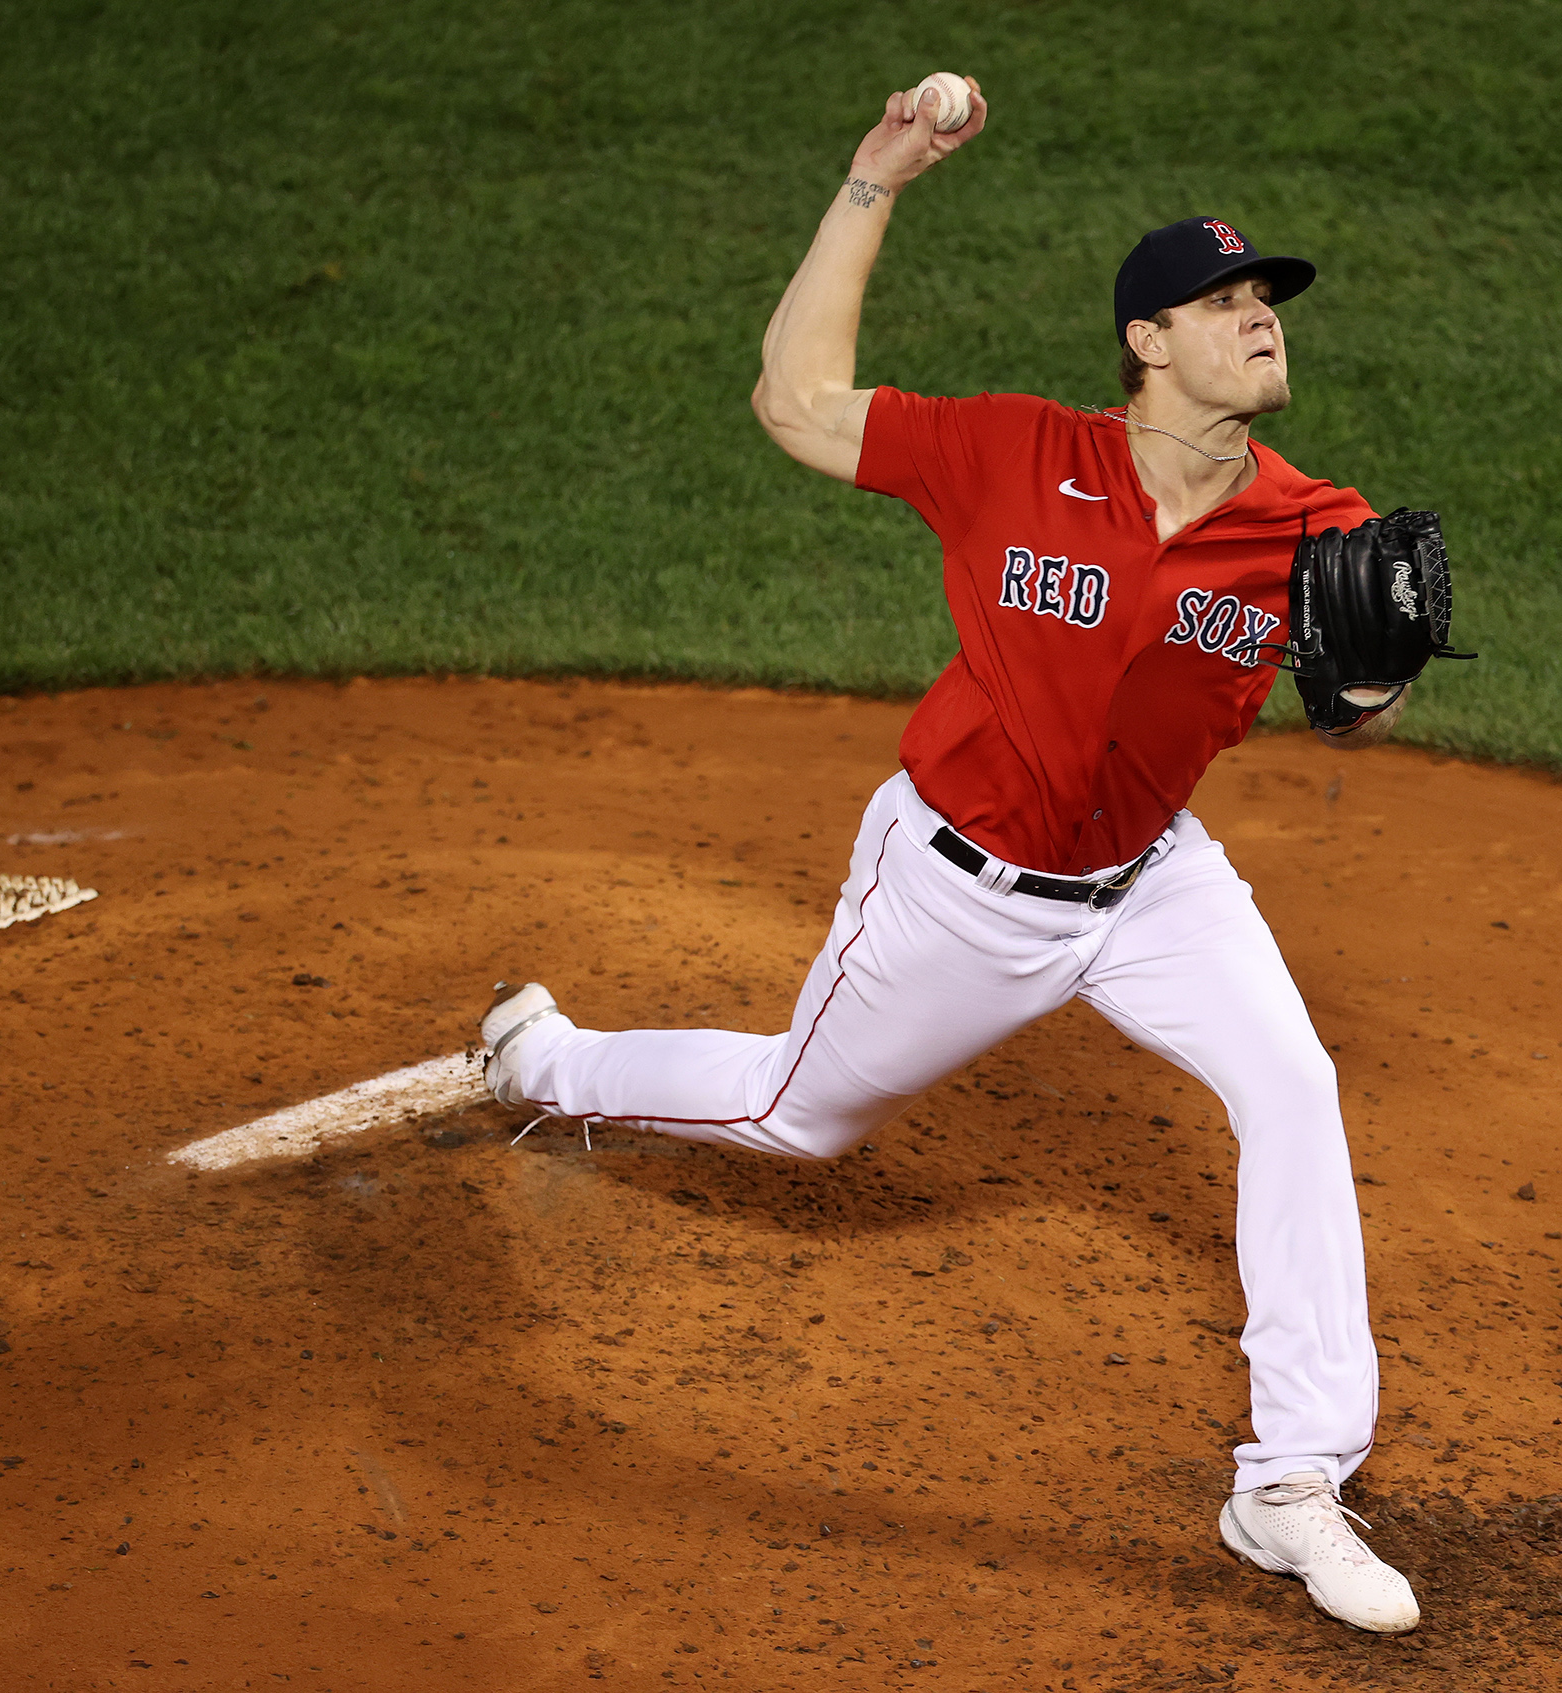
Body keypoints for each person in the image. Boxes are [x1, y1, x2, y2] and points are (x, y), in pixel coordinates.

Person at [478, 77, 1421, 1633]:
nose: (1260, 320)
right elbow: (795, 403)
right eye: (1226, 299)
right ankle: (548, 1063)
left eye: (1269, 300)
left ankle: (1290, 1482)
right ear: (1147, 342)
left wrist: (1376, 682)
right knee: (800, 1114)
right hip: (958, 884)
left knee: (1293, 1085)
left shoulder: (1321, 523)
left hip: (1155, 877)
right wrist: (873, 181)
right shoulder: (1012, 454)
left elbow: (1356, 722)